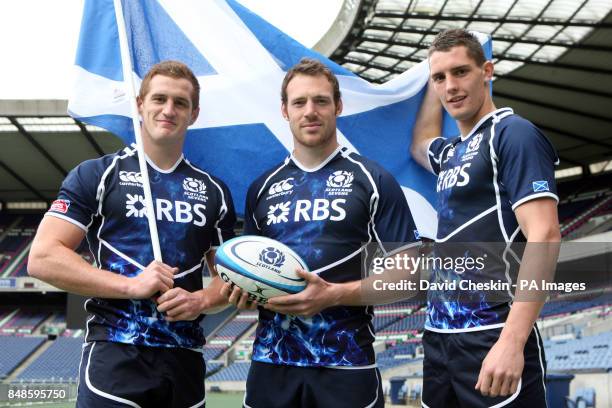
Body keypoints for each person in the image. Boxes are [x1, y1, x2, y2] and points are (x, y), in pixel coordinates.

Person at [28, 60, 236, 408]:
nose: (168, 109)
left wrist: (200, 301)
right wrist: (131, 285)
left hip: (184, 358)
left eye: (180, 103)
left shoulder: (214, 190)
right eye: (158, 99)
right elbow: (43, 257)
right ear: (140, 104)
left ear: (194, 114)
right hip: (116, 355)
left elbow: (230, 279)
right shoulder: (97, 174)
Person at [222, 58, 421, 407]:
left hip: (346, 363)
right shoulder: (262, 188)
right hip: (272, 365)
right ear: (284, 110)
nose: (310, 111)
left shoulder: (373, 180)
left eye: (321, 101)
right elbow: (252, 269)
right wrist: (243, 291)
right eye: (299, 102)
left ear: (338, 107)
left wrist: (334, 294)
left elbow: (407, 275)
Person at [410, 29, 561, 407]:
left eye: (461, 72)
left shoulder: (513, 133)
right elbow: (420, 142)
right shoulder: (452, 152)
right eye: (440, 78)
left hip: (492, 332)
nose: (451, 87)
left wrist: (511, 342)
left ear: (487, 70)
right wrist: (432, 78)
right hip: (439, 337)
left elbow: (544, 234)